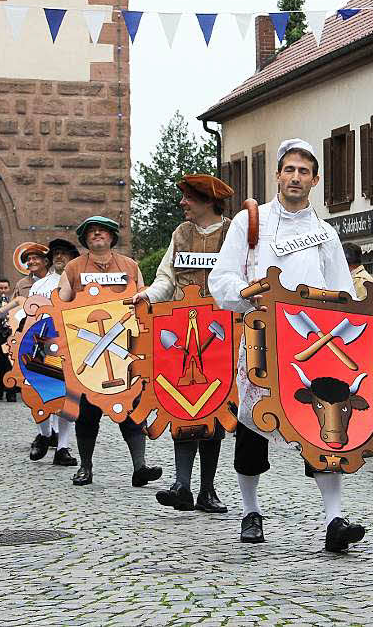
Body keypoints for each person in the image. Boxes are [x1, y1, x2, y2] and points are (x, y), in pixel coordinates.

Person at [209, 138, 366, 553]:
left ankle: (334, 519)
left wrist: (339, 321)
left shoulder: (325, 233)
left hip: (314, 342)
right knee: (253, 423)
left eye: (304, 171)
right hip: (262, 336)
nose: (295, 177)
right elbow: (222, 277)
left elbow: (343, 290)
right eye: (289, 169)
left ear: (314, 180)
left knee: (321, 424)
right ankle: (250, 510)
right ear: (278, 175)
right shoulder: (250, 222)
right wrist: (247, 293)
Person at [133, 174, 235, 514]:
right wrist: (146, 295)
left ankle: (207, 489)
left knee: (214, 407)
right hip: (179, 332)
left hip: (221, 335)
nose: (182, 204)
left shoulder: (232, 233)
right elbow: (166, 278)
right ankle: (181, 485)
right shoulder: (181, 234)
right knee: (181, 405)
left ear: (208, 200)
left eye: (188, 198)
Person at [57, 216, 161, 488]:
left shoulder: (129, 266)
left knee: (130, 406)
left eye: (102, 231)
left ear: (112, 236)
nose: (97, 235)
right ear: (85, 239)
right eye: (91, 232)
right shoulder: (74, 267)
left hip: (124, 348)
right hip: (87, 350)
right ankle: (85, 467)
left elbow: (142, 297)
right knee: (88, 411)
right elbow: (61, 301)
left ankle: (140, 467)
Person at [25, 238, 79, 467]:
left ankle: (63, 447)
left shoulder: (79, 282)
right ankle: (45, 434)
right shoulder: (40, 285)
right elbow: (29, 314)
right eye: (56, 253)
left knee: (67, 397)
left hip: (68, 343)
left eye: (64, 254)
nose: (59, 257)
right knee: (38, 392)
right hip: (41, 341)